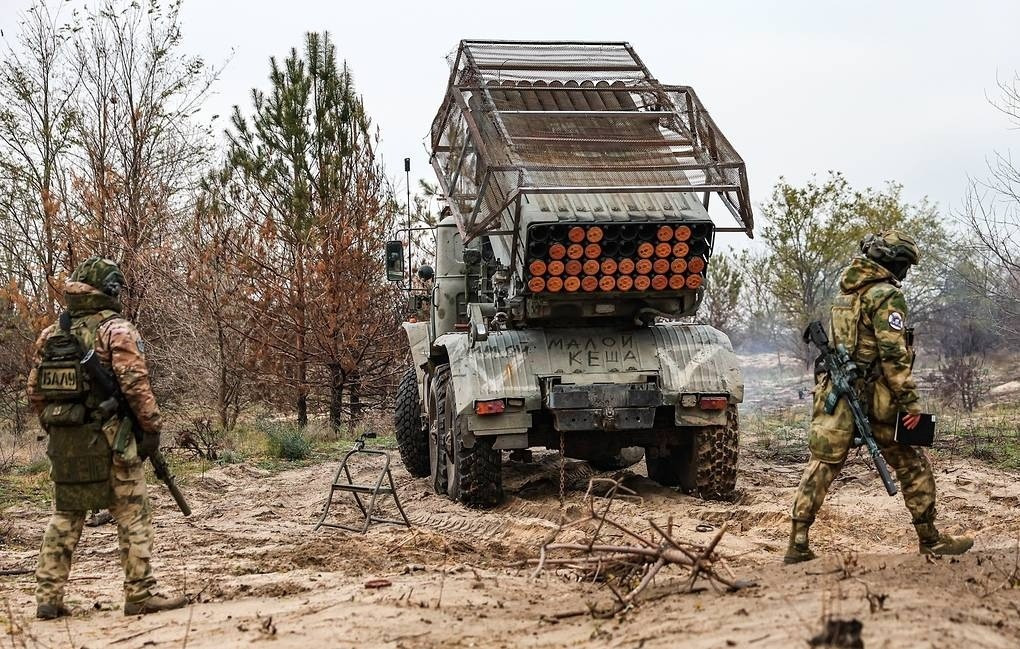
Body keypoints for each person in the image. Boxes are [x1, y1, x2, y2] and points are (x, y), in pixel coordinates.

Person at [785, 231, 973, 564]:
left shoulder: (846, 295)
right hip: (876, 400)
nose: (906, 272)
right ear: (894, 262)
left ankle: (797, 544)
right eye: (905, 264)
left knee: (822, 465)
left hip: (839, 395)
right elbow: (893, 357)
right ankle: (930, 540)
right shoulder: (886, 296)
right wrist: (911, 405)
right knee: (912, 464)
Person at [27, 257, 186, 618]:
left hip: (67, 443)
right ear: (111, 289)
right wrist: (151, 429)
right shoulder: (116, 329)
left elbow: (35, 392)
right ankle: (139, 594)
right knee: (133, 514)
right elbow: (135, 386)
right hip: (113, 440)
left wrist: (61, 428)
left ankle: (48, 598)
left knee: (66, 516)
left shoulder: (51, 334)